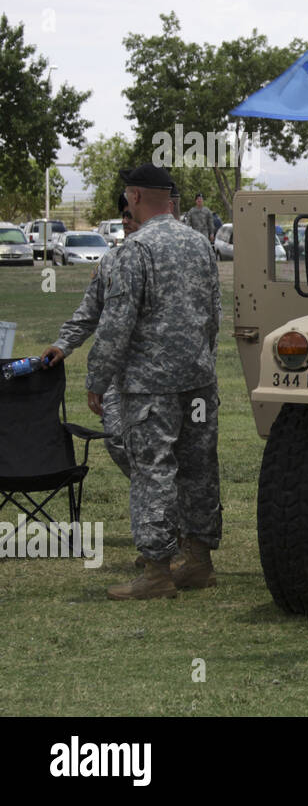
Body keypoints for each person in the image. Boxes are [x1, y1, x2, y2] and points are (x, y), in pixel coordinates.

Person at [86, 163, 223, 600]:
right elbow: (214, 316)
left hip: (151, 384)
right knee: (199, 469)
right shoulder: (201, 243)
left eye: (127, 197)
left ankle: (158, 571)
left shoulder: (136, 249)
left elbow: (116, 323)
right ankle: (198, 560)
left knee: (153, 470)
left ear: (136, 197)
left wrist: (97, 377)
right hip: (198, 378)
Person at [42, 192, 139, 478]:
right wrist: (63, 345)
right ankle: (153, 496)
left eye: (131, 215)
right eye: (123, 214)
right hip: (117, 374)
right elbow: (88, 313)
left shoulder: (170, 260)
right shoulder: (110, 262)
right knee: (117, 440)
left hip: (162, 376)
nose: (126, 220)